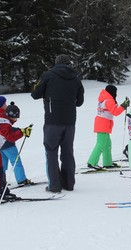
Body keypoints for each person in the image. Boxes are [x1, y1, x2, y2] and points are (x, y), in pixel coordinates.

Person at [31, 54, 84, 193]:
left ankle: (54, 185)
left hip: (52, 121)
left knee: (51, 152)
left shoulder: (48, 75)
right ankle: (68, 183)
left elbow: (35, 94)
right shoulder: (76, 78)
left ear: (56, 63)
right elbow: (80, 102)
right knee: (67, 152)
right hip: (70, 121)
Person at [0, 101, 32, 203]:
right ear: (11, 115)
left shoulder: (2, 118)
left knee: (0, 171)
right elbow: (10, 137)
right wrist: (22, 132)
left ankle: (4, 192)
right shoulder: (4, 122)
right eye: (16, 117)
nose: (16, 120)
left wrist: (21, 130)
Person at [0, 96, 32, 186]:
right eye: (5, 104)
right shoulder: (2, 116)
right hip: (7, 143)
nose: (6, 105)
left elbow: (6, 128)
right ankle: (21, 179)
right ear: (0, 105)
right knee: (16, 161)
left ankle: (2, 180)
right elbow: (7, 131)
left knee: (2, 163)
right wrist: (21, 131)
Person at [87, 85, 130, 169]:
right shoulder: (109, 100)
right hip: (103, 124)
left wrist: (123, 105)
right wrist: (123, 106)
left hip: (102, 124)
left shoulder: (104, 98)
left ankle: (107, 162)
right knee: (101, 144)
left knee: (107, 144)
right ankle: (92, 162)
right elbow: (115, 112)